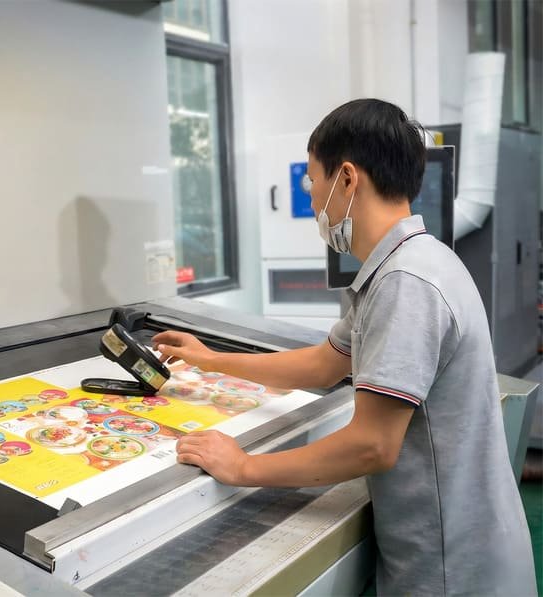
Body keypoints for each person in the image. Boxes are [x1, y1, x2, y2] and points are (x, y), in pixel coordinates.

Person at [153, 99, 536, 596]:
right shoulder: (411, 261)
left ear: (348, 179)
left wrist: (244, 466)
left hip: (452, 568)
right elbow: (321, 364)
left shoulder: (406, 282)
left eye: (313, 183)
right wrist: (207, 358)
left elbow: (372, 445)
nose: (313, 201)